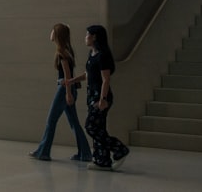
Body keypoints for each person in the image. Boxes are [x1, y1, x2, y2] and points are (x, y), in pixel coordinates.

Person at [69, 24, 130, 171]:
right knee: (99, 127)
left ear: (95, 36)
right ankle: (102, 160)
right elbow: (88, 75)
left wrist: (103, 99)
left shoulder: (103, 56)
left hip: (101, 97)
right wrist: (71, 81)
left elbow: (106, 79)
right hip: (91, 97)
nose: (85, 37)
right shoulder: (92, 54)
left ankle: (119, 149)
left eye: (87, 34)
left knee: (91, 126)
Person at [29, 23, 92, 162]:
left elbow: (67, 75)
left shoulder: (61, 52)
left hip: (64, 89)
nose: (50, 33)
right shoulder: (67, 50)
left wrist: (68, 93)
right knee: (74, 123)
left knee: (51, 121)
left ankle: (44, 152)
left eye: (52, 31)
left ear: (57, 35)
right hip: (69, 88)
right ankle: (85, 153)